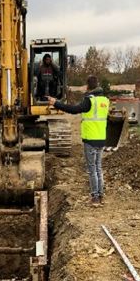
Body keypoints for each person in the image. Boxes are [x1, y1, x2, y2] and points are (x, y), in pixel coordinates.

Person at [48, 75, 109, 207]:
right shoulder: (105, 100)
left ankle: (95, 198)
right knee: (98, 168)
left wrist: (56, 103)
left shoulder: (90, 100)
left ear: (88, 86)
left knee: (92, 169)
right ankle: (100, 194)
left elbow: (74, 110)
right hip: (101, 138)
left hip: (91, 139)